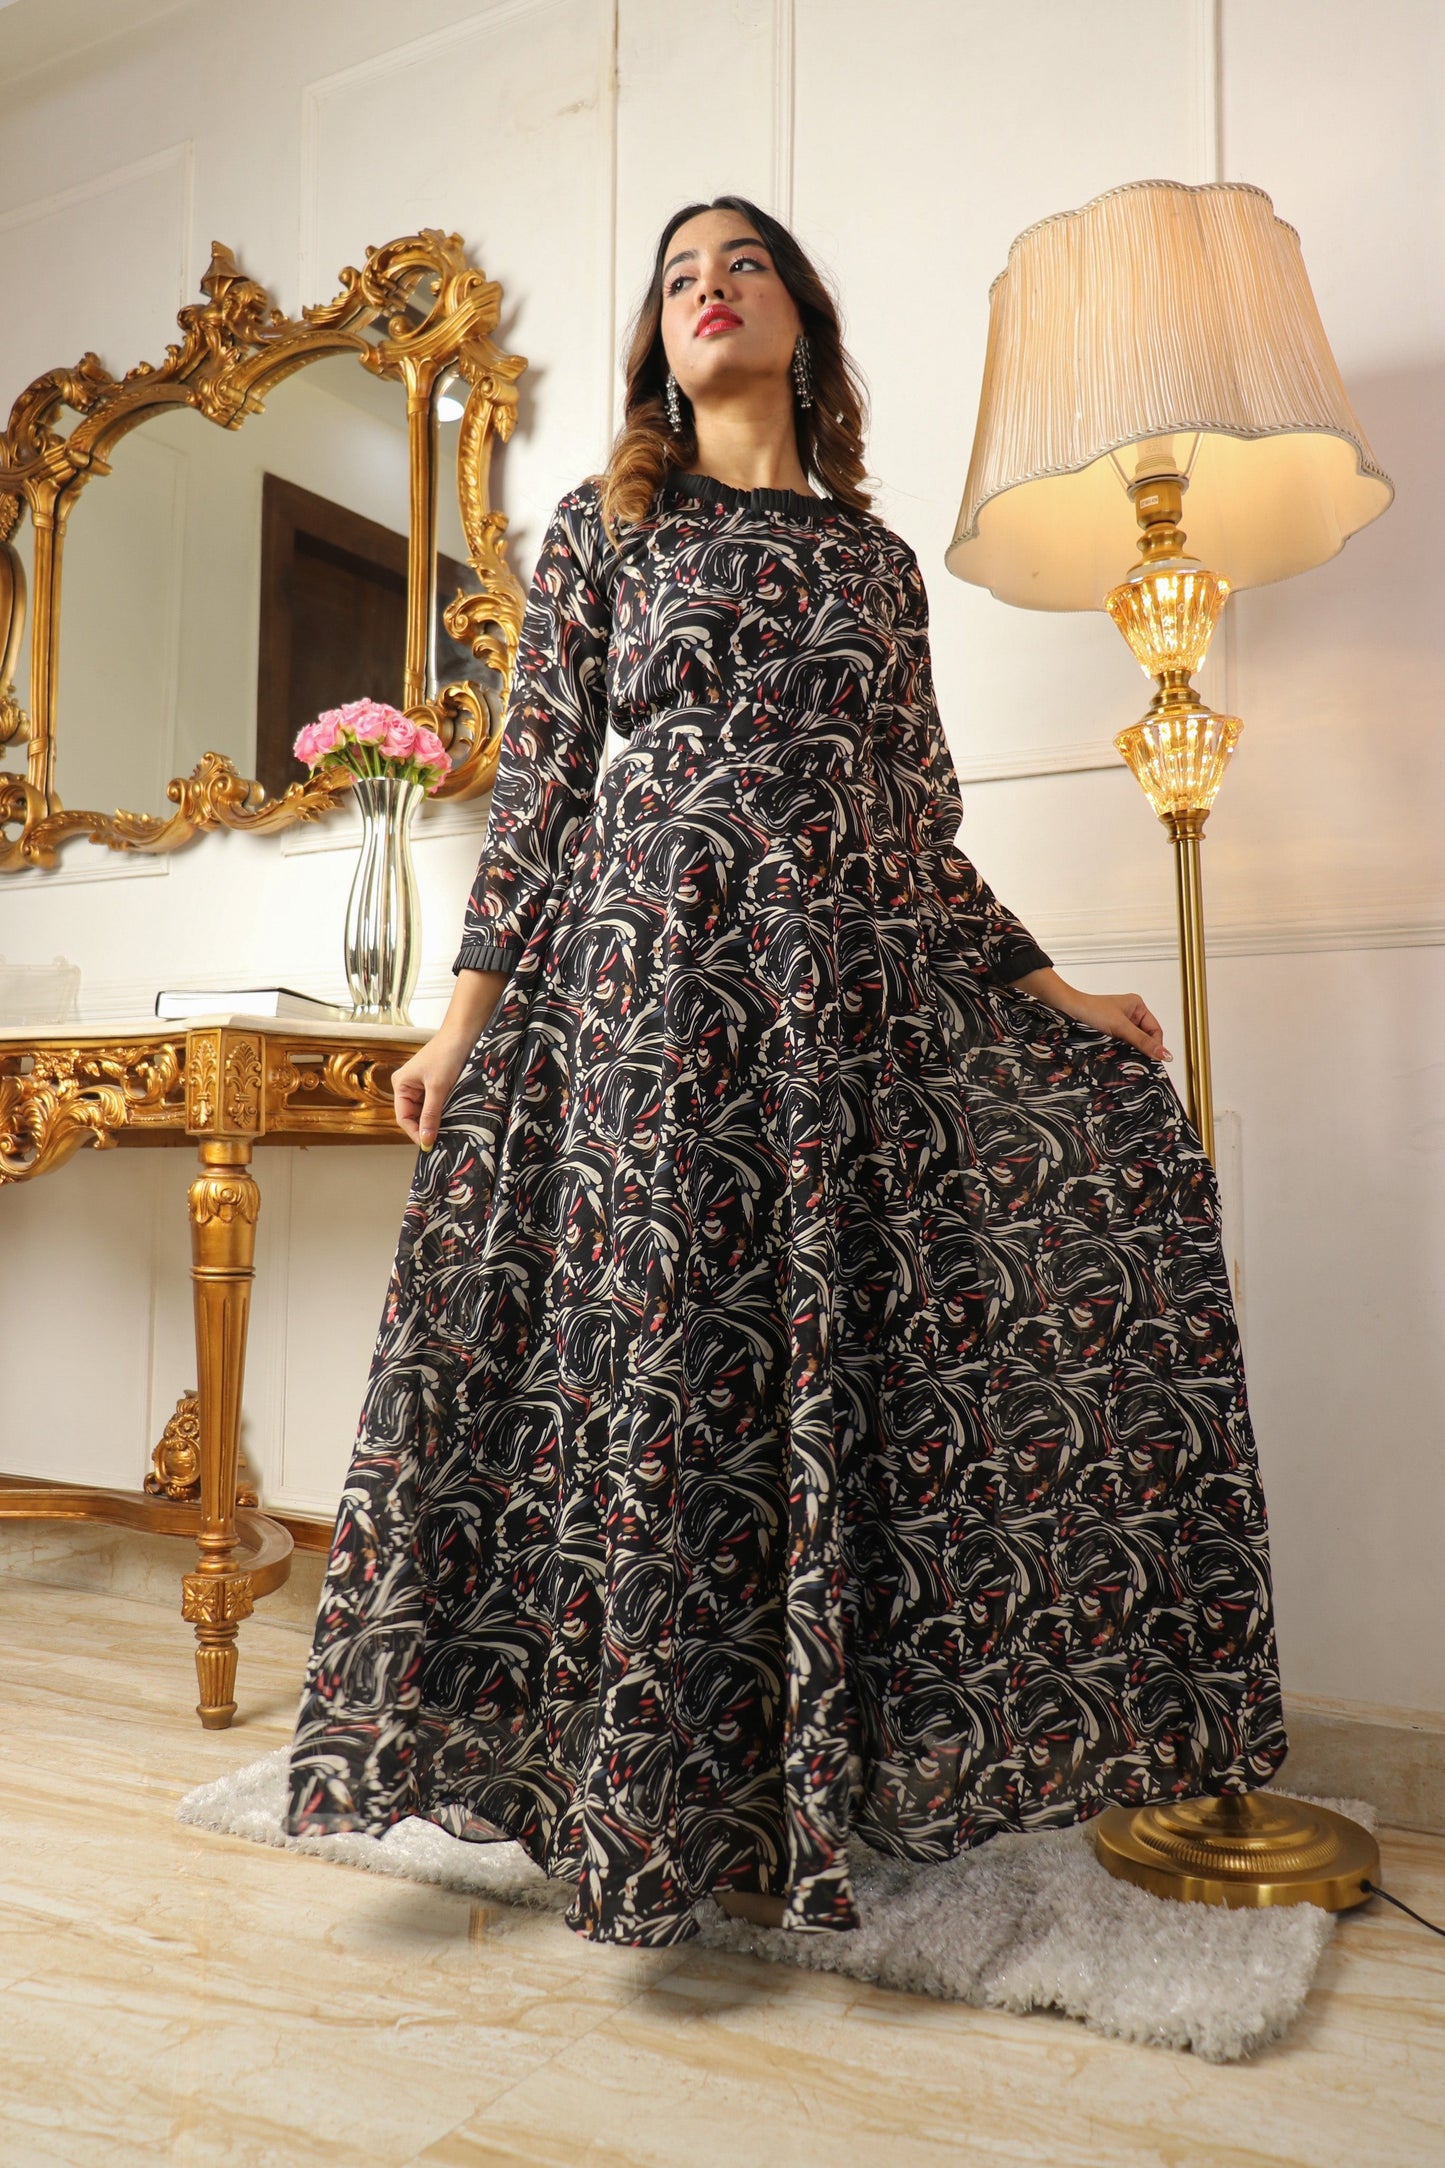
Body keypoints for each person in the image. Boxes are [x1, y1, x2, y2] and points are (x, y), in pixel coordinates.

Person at [284, 195, 1288, 1948]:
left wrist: (1052, 990)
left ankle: (802, 1782)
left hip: (842, 1011)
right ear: (656, 344)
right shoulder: (606, 527)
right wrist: (460, 1022)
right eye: (679, 276)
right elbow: (542, 793)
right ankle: (647, 1794)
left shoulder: (874, 567)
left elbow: (918, 828)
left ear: (798, 320)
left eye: (739, 264)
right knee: (671, 1365)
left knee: (827, 1373)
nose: (709, 290)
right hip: (648, 999)